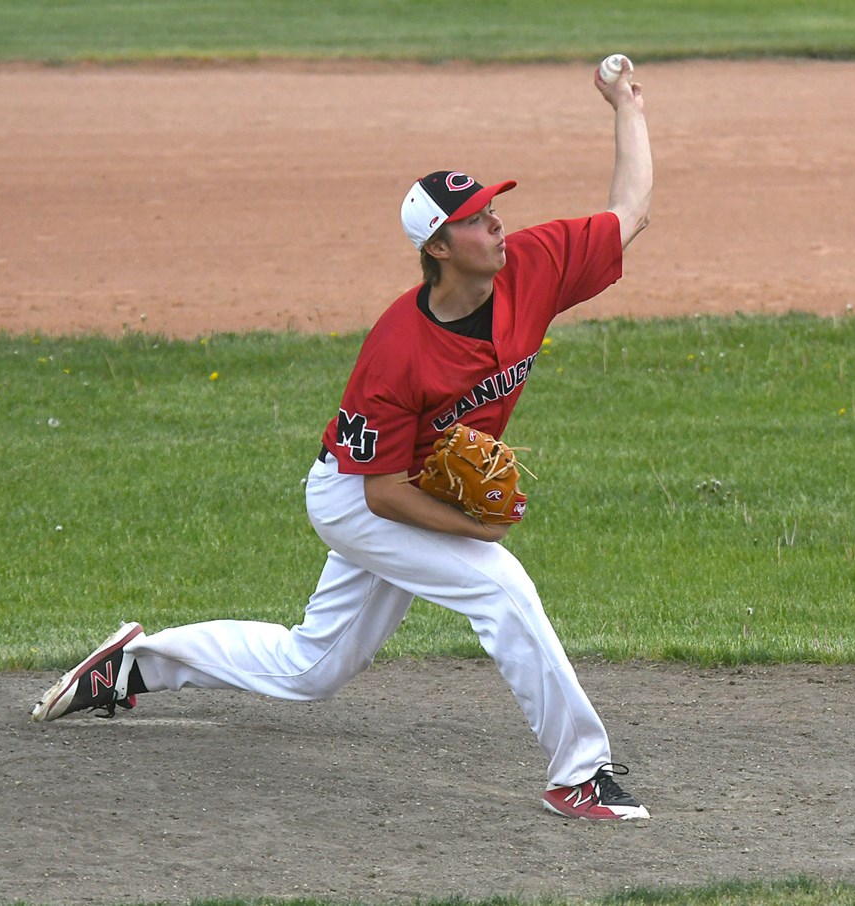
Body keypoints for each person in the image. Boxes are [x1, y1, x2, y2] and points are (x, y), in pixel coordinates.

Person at [32, 61, 653, 821]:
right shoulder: (397, 349)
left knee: (311, 669)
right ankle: (578, 776)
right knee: (501, 587)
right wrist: (477, 528)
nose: (497, 225)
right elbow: (380, 491)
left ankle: (134, 665)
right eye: (478, 219)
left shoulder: (535, 266)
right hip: (358, 499)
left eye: (494, 210)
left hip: (405, 493)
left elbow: (632, 210)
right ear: (439, 246)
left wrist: (625, 105)